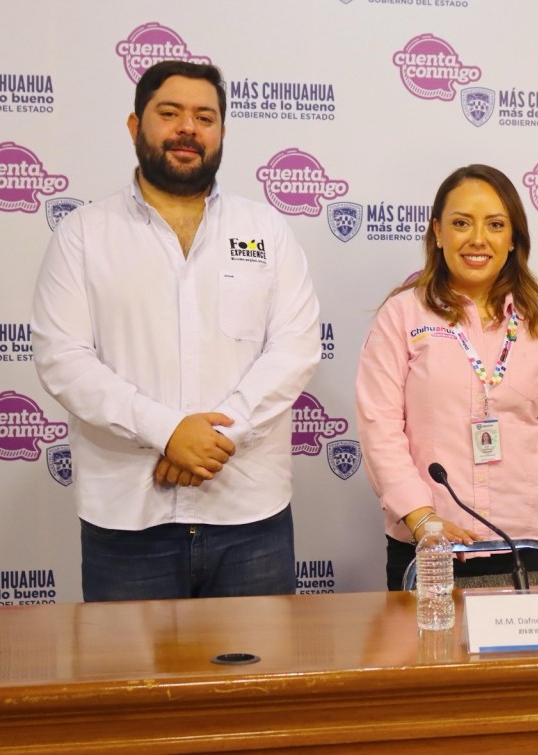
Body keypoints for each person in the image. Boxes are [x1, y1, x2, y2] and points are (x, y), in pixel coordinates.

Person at [31, 61, 320, 601]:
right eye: (170, 113)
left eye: (204, 117)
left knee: (257, 662)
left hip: (250, 517)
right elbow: (63, 359)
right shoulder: (84, 234)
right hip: (128, 521)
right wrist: (167, 431)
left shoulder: (266, 230)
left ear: (222, 133)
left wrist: (216, 438)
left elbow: (295, 347)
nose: (188, 128)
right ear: (135, 125)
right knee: (125, 663)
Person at [356, 164, 538, 590]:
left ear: (513, 238)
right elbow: (380, 428)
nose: (478, 239)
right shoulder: (402, 316)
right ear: (437, 232)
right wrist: (422, 518)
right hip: (431, 546)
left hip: (529, 547)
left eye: (495, 225)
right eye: (461, 223)